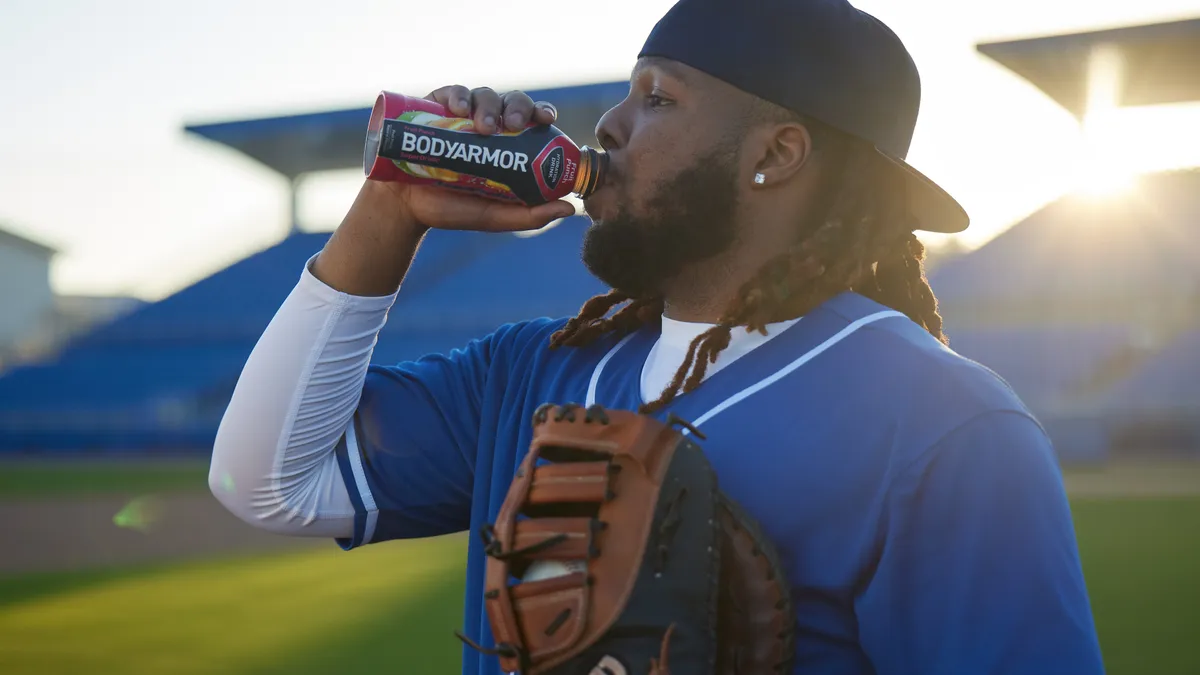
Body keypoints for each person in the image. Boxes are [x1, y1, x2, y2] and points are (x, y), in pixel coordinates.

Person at [209, 0, 1106, 672]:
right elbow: (269, 484)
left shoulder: (948, 424)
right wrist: (391, 207)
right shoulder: (530, 367)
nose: (608, 125)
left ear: (777, 154)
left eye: (656, 97)